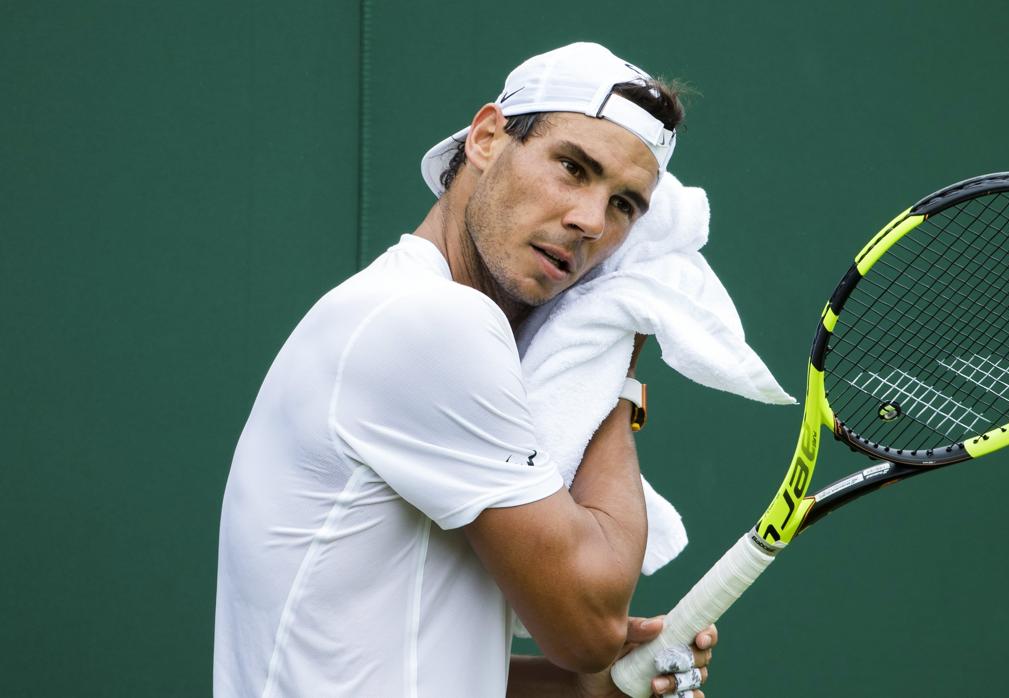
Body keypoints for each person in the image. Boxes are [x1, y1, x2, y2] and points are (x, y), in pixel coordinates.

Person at [214, 42, 716, 697]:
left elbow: (398, 664)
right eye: (571, 166)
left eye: (624, 205)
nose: (590, 220)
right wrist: (616, 346)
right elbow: (590, 628)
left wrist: (598, 689)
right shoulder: (433, 323)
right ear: (486, 139)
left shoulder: (393, 309)